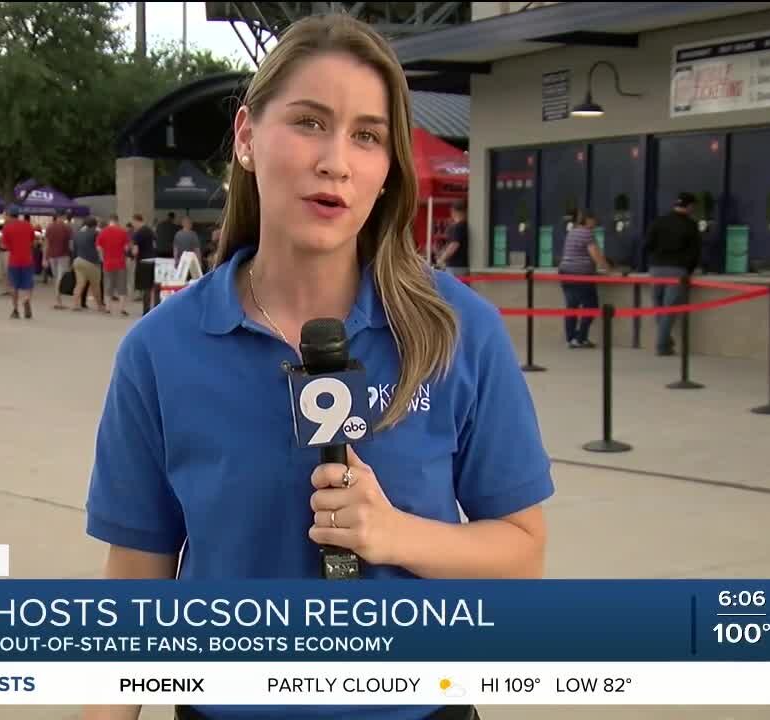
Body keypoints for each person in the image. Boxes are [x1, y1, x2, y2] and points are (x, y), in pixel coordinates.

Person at [84, 14, 551, 720]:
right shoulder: (160, 352)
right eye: (309, 122)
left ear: (388, 166)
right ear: (246, 137)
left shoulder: (459, 332)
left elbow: (522, 555)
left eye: (367, 135)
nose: (337, 160)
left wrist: (394, 535)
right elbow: (135, 588)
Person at [644, 192, 702, 356]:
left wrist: (654, 260)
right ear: (690, 206)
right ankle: (662, 345)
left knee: (659, 307)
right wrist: (688, 270)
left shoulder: (659, 221)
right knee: (669, 309)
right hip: (676, 270)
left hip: (656, 269)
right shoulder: (690, 225)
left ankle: (666, 341)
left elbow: (647, 244)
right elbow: (695, 252)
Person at [558, 212, 609, 348]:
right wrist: (607, 269)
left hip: (565, 273)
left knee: (571, 306)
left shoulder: (572, 232)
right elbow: (595, 255)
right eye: (594, 220)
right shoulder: (587, 233)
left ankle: (571, 339)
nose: (596, 223)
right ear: (588, 220)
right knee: (591, 306)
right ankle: (580, 337)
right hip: (581, 275)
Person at [1, 207, 37, 319]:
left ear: (9, 215)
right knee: (28, 284)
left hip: (14, 260)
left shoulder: (7, 228)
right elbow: (33, 242)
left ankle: (15, 310)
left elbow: (3, 245)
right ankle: (26, 300)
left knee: (14, 286)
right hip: (27, 259)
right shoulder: (28, 225)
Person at [96, 214, 131, 316]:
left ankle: (108, 308)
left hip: (108, 262)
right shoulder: (123, 232)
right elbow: (126, 248)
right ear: (117, 220)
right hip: (120, 263)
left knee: (108, 285)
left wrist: (103, 257)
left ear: (109, 221)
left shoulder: (103, 232)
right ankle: (122, 309)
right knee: (122, 286)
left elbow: (99, 247)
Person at [72, 216, 106, 313]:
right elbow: (100, 245)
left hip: (78, 260)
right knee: (95, 285)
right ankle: (100, 306)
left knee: (79, 284)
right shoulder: (95, 233)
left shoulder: (77, 234)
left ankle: (75, 304)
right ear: (95, 225)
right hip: (91, 262)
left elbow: (74, 248)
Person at [44, 212, 74, 309]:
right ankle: (59, 301)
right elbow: (70, 244)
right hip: (63, 255)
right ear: (63, 216)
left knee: (56, 277)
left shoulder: (49, 227)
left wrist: (45, 258)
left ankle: (57, 300)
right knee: (61, 278)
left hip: (52, 255)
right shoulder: (67, 228)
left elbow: (46, 244)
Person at [433, 201, 470, 278]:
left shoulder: (458, 227)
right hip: (464, 265)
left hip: (456, 267)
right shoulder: (466, 226)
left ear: (453, 211)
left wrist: (441, 259)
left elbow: (454, 245)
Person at [130, 213, 157, 315]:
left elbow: (135, 251)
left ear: (136, 221)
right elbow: (155, 245)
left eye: (133, 223)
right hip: (153, 260)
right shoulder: (151, 231)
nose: (133, 225)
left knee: (146, 288)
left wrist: (131, 253)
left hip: (144, 261)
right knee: (153, 287)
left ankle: (146, 311)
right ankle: (155, 308)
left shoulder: (138, 233)